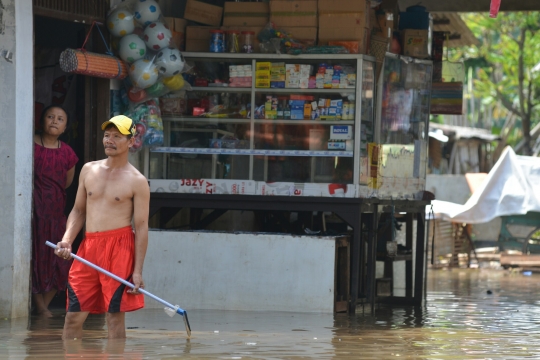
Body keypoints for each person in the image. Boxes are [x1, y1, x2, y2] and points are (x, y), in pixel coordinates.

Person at [55, 115, 150, 340]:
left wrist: (137, 272)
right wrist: (67, 240)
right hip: (88, 247)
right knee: (73, 316)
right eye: (107, 135)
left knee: (114, 317)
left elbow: (142, 227)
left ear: (131, 141)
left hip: (119, 249)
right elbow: (78, 211)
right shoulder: (88, 170)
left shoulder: (137, 181)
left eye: (117, 136)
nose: (110, 140)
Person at [32, 105, 78, 317]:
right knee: (34, 256)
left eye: (60, 119)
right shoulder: (29, 144)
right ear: (41, 121)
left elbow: (67, 183)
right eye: (50, 117)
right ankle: (40, 306)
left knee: (58, 259)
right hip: (33, 212)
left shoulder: (68, 153)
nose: (54, 121)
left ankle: (44, 305)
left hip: (55, 212)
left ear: (65, 127)